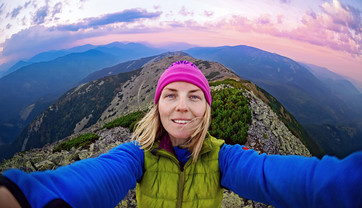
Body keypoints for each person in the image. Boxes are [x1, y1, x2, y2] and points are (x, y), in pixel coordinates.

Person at [0, 60, 361, 208]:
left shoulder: (224, 158)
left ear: (207, 107)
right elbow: (88, 180)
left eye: (195, 97)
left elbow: (284, 177)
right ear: (157, 105)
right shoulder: (134, 156)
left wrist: (348, 182)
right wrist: (23, 195)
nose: (182, 107)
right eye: (170, 96)